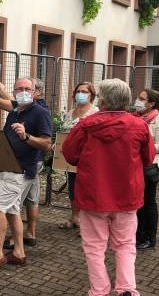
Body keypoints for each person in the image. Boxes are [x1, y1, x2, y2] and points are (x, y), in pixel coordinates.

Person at [63, 78, 155, 296]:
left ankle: (99, 290)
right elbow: (149, 157)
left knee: (94, 247)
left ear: (102, 101)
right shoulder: (139, 125)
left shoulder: (86, 125)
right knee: (125, 245)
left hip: (94, 196)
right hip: (126, 196)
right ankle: (127, 289)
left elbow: (69, 154)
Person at [0, 77, 52, 275]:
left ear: (34, 92)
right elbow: (5, 142)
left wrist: (26, 136)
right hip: (8, 168)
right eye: (19, 89)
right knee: (12, 210)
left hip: (22, 171)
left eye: (27, 88)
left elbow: (46, 144)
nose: (24, 91)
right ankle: (19, 252)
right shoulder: (15, 111)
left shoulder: (40, 113)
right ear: (14, 92)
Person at [58, 82, 99, 230]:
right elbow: (63, 134)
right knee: (73, 188)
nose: (80, 94)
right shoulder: (70, 113)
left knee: (87, 190)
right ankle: (74, 217)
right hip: (71, 158)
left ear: (91, 95)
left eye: (84, 91)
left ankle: (87, 223)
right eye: (78, 91)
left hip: (88, 158)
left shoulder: (96, 113)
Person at [134, 89, 159, 250]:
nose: (137, 101)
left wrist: (140, 144)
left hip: (151, 167)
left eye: (141, 99)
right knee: (138, 203)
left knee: (148, 203)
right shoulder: (138, 117)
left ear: (151, 103)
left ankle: (149, 238)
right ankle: (138, 234)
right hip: (137, 165)